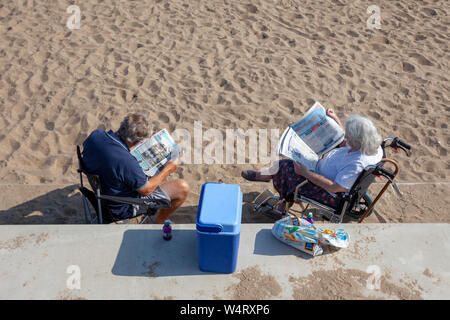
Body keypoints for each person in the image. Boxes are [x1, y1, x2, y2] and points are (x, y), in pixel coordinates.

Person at [241, 109, 383, 212]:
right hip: (321, 168)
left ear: (359, 141)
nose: (347, 138)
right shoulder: (372, 147)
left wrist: (306, 174)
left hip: (327, 191)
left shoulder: (356, 164)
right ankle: (267, 176)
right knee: (290, 161)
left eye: (350, 137)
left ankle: (283, 203)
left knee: (285, 167)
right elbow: (344, 141)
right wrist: (335, 120)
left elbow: (335, 187)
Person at [82, 113, 189, 224]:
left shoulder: (96, 135)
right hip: (122, 207)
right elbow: (146, 190)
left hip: (102, 194)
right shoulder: (126, 162)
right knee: (182, 188)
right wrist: (168, 169)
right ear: (137, 142)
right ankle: (160, 221)